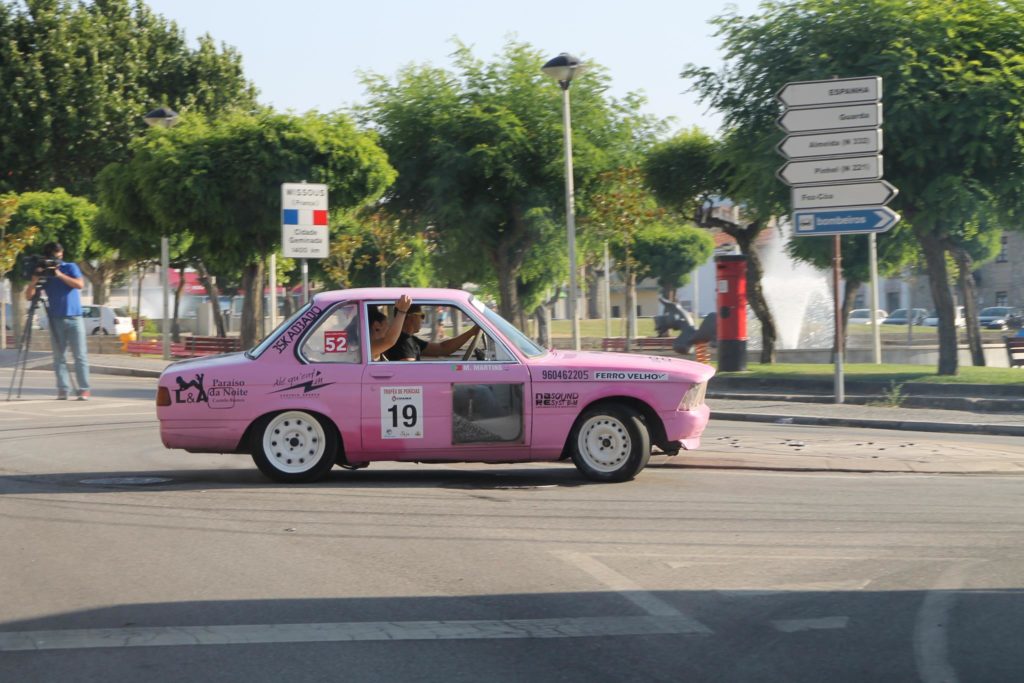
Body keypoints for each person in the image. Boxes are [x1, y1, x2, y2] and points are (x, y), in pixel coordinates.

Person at [24, 242, 91, 400]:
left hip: (75, 317)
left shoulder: (70, 267)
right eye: (55, 256)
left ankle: (84, 389)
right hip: (55, 318)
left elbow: (79, 284)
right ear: (48, 256)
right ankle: (63, 389)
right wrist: (34, 281)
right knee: (58, 357)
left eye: (60, 256)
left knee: (80, 356)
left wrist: (59, 274)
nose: (58, 260)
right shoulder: (45, 273)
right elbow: (29, 296)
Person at [383, 303, 481, 361]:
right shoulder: (402, 343)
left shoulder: (411, 340)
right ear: (410, 317)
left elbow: (443, 349)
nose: (423, 319)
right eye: (421, 315)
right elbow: (410, 373)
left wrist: (471, 332)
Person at [368, 295, 412, 360]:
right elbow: (389, 341)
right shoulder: (367, 349)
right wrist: (402, 311)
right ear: (377, 326)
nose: (389, 329)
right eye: (387, 326)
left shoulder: (379, 353)